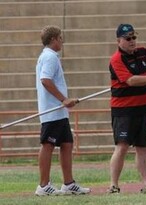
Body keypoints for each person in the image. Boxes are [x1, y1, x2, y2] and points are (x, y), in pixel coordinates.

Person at [35, 25, 91, 196]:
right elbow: (45, 80)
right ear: (53, 40)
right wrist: (64, 100)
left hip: (60, 113)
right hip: (52, 111)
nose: (62, 41)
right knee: (48, 145)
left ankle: (68, 183)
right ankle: (44, 186)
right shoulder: (50, 57)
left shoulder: (50, 56)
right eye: (60, 38)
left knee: (67, 144)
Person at [108, 23, 146, 194]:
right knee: (122, 146)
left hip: (143, 108)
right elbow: (131, 80)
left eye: (134, 37)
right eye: (128, 38)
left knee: (143, 148)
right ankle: (113, 184)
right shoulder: (116, 59)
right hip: (124, 110)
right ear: (118, 40)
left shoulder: (142, 53)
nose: (132, 41)